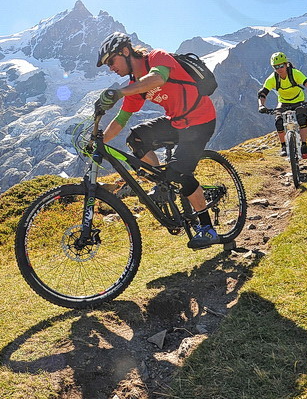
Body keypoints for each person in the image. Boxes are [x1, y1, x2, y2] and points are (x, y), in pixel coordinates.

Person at [94, 31, 220, 249]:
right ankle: (166, 183)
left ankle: (208, 229)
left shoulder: (157, 57)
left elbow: (158, 78)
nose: (111, 68)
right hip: (178, 122)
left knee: (181, 173)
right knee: (136, 138)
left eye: (111, 61)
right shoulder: (135, 86)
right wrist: (100, 141)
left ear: (125, 51)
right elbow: (121, 119)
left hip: (200, 120)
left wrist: (119, 92)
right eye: (107, 65)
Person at [257, 52, 307, 159]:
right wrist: (261, 105)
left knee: (302, 119)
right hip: (283, 102)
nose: (279, 69)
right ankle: (284, 146)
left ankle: (304, 145)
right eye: (276, 67)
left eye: (281, 66)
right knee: (279, 122)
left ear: (286, 64)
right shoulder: (273, 78)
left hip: (298, 100)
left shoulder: (295, 73)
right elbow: (263, 93)